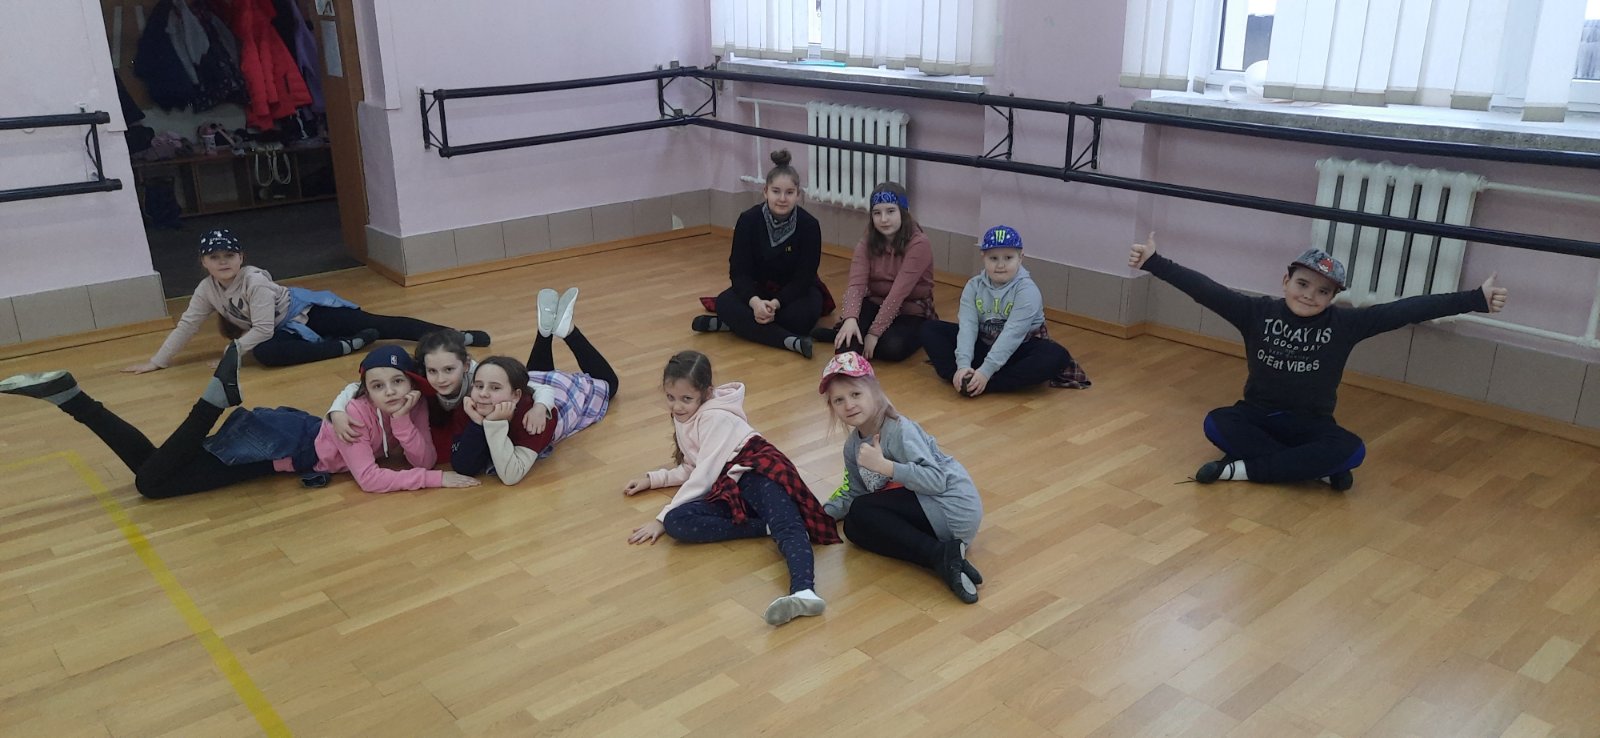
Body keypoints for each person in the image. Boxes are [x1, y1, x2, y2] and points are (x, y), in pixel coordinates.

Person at [1128, 233, 1509, 490]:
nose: (1310, 295)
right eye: (1303, 284)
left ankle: (1238, 470)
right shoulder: (1255, 313)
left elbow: (1406, 310)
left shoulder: (1345, 324)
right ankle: (1316, 472)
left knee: (1353, 450)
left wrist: (1474, 299)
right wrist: (1154, 262)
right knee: (1216, 423)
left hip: (1311, 425)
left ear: (1333, 297)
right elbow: (1206, 291)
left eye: (1323, 291)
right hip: (1256, 416)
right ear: (1285, 282)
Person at [0, 343, 479, 498]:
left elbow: (420, 456)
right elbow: (370, 480)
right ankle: (213, 402)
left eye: (397, 383)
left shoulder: (412, 406)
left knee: (156, 469)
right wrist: (439, 480)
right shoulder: (353, 414)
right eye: (378, 385)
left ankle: (72, 399)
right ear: (364, 390)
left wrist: (403, 424)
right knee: (152, 484)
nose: (389, 392)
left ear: (410, 384)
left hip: (281, 449)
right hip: (279, 443)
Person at [623, 350, 840, 626]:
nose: (677, 406)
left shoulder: (715, 418)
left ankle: (804, 591)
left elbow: (703, 476)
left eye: (686, 399)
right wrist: (652, 479)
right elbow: (693, 466)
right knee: (677, 522)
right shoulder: (685, 416)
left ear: (706, 393)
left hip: (759, 472)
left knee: (788, 527)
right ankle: (765, 526)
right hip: (730, 484)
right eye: (670, 397)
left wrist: (659, 518)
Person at [123, 228, 490, 372]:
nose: (223, 262)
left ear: (241, 257)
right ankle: (344, 347)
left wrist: (231, 354)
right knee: (267, 356)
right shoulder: (207, 290)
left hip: (309, 314)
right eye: (214, 257)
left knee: (382, 325)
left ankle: (456, 336)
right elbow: (187, 325)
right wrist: (158, 361)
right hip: (282, 330)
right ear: (203, 263)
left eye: (229, 256)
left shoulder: (254, 282)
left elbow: (262, 327)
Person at [819, 352, 984, 603]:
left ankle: (939, 555)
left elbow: (936, 481)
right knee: (853, 527)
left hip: (951, 507)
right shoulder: (853, 447)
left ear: (874, 392)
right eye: (838, 400)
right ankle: (943, 555)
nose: (849, 405)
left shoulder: (899, 429)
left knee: (862, 510)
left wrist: (886, 467)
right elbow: (854, 492)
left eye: (856, 394)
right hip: (927, 514)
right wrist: (818, 516)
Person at [451, 288, 619, 484]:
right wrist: (477, 423)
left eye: (494, 388)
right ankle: (545, 331)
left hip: (562, 394)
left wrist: (494, 423)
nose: (483, 394)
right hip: (531, 381)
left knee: (609, 384)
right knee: (532, 373)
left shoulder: (533, 420)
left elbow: (511, 476)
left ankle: (569, 332)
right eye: (478, 386)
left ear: (516, 395)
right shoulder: (471, 406)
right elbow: (463, 466)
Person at [921, 225, 1090, 395]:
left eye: (1008, 258)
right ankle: (962, 378)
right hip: (984, 342)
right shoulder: (973, 286)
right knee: (930, 329)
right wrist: (963, 364)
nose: (1000, 265)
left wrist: (986, 371)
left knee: (1055, 355)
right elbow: (968, 326)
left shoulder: (1027, 290)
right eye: (993, 258)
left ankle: (986, 383)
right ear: (983, 257)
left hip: (1019, 349)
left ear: (1020, 258)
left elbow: (1013, 334)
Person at [691, 150, 824, 358]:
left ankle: (733, 325)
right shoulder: (748, 220)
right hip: (757, 291)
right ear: (765, 192)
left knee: (801, 318)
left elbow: (804, 278)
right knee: (725, 303)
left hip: (792, 295)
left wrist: (776, 304)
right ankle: (788, 341)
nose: (782, 199)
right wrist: (755, 303)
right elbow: (739, 272)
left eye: (789, 192)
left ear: (798, 194)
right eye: (776, 191)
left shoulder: (809, 226)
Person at [814, 182, 936, 361]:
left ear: (903, 212)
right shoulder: (866, 241)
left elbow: (898, 294)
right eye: (877, 213)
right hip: (875, 301)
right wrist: (850, 319)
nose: (883, 219)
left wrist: (874, 332)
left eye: (890, 211)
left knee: (891, 347)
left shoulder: (919, 243)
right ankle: (848, 334)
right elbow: (855, 286)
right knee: (847, 343)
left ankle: (856, 336)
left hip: (910, 309)